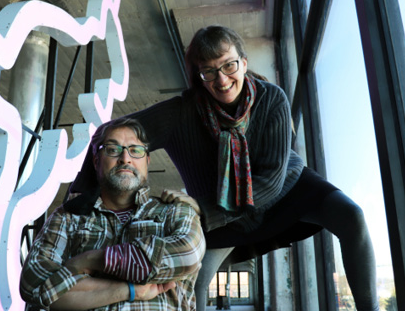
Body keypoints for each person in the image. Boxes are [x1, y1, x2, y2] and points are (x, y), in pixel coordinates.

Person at [70, 26, 379, 311]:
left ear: (243, 62)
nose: (221, 79)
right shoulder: (180, 113)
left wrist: (199, 210)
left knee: (351, 216)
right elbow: (111, 132)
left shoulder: (272, 99)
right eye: (209, 71)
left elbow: (271, 181)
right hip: (220, 207)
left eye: (229, 65)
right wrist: (84, 194)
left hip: (284, 188)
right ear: (198, 76)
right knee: (196, 280)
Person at [20, 117, 206, 310]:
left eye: (135, 150)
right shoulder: (67, 217)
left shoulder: (175, 211)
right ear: (96, 160)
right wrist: (132, 290)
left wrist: (89, 260)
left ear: (147, 161)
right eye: (112, 149)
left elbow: (188, 255)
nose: (125, 158)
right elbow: (33, 285)